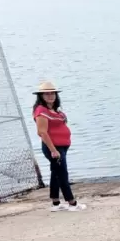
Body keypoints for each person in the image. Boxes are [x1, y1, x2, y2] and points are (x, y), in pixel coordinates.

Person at [32, 81, 86, 212]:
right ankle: (72, 203)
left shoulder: (54, 110)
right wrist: (53, 150)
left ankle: (56, 203)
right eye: (46, 94)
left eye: (52, 93)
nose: (50, 96)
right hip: (53, 147)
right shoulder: (41, 111)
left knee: (56, 173)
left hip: (61, 146)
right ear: (41, 96)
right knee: (62, 174)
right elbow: (42, 132)